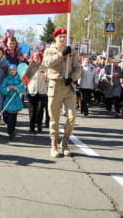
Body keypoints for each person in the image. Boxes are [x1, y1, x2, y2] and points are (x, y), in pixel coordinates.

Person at [43, 28, 82, 158]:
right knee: (54, 117)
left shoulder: (72, 52)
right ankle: (53, 144)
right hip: (55, 85)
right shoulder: (49, 51)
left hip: (68, 86)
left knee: (72, 116)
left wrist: (72, 78)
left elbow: (78, 68)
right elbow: (47, 63)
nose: (62, 39)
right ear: (55, 38)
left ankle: (65, 142)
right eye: (60, 37)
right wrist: (60, 55)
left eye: (64, 36)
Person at [0, 64, 26, 139]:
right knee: (8, 117)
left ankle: (11, 130)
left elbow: (23, 89)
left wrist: (16, 88)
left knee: (13, 117)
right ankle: (10, 130)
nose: (12, 71)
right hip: (8, 99)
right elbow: (2, 89)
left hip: (16, 100)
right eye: (11, 70)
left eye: (14, 70)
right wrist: (8, 88)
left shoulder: (19, 80)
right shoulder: (6, 79)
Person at [26, 52, 48, 133]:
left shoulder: (44, 68)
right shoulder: (30, 68)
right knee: (32, 110)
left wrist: (47, 77)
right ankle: (32, 126)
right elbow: (25, 80)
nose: (36, 59)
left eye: (38, 58)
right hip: (32, 91)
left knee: (39, 109)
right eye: (35, 58)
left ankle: (39, 125)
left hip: (42, 91)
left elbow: (48, 79)